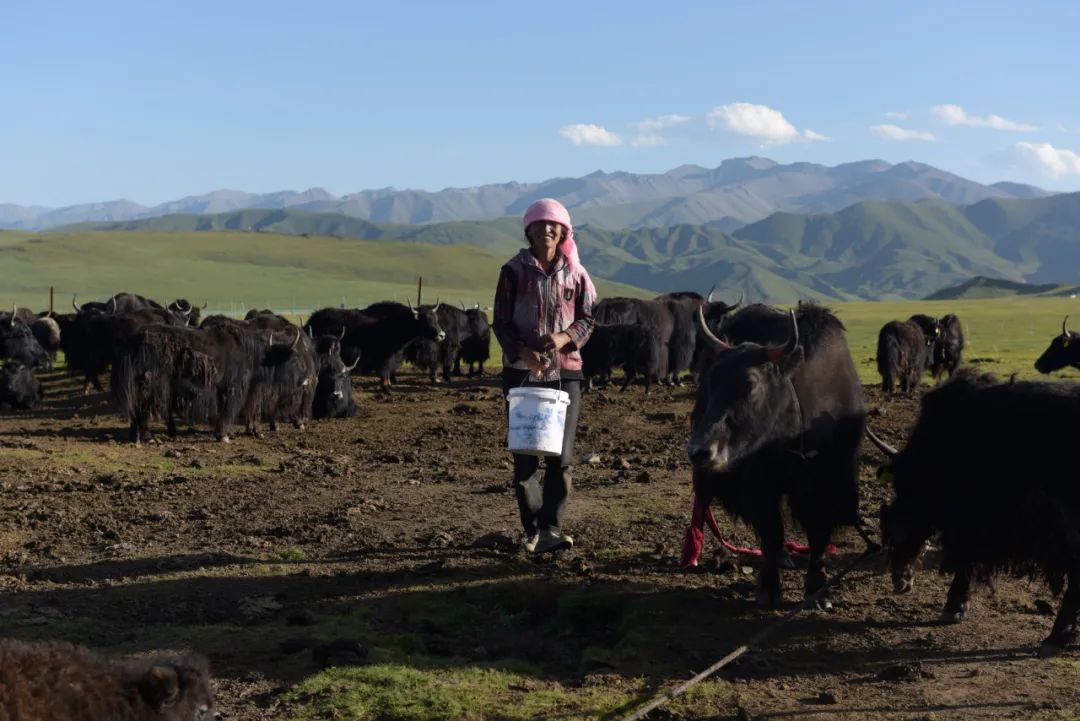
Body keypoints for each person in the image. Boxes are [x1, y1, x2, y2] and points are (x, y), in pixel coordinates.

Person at [493, 198, 596, 554]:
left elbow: (587, 319)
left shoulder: (576, 273)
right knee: (525, 456)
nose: (547, 229)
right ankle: (532, 529)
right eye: (540, 224)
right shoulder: (513, 271)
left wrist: (564, 337)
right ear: (529, 230)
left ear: (564, 231)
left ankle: (551, 526)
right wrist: (523, 352)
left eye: (555, 225)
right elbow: (501, 323)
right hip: (522, 376)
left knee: (561, 457)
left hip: (566, 374)